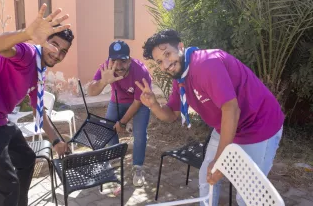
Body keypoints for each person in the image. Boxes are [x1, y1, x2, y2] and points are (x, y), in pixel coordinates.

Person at [136, 29, 285, 205]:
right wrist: (153, 104)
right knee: (207, 177)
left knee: (248, 195)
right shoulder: (181, 77)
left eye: (168, 54)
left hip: (258, 125)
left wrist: (220, 161)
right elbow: (171, 115)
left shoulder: (206, 64)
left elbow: (231, 109)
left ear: (181, 47)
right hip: (227, 126)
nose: (166, 64)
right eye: (160, 61)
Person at [0, 4, 73, 206]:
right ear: (44, 41)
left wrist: (56, 142)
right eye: (54, 45)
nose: (57, 54)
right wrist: (26, 33)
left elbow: (38, 112)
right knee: (7, 185)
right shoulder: (27, 54)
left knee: (26, 160)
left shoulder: (39, 70)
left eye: (63, 51)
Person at [87, 40, 151, 187]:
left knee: (140, 134)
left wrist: (122, 122)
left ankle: (138, 168)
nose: (119, 65)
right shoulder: (106, 68)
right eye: (114, 61)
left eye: (123, 60)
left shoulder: (140, 71)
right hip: (117, 100)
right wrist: (103, 82)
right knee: (108, 128)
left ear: (129, 59)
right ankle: (116, 159)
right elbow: (91, 92)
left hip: (140, 102)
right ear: (110, 61)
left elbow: (137, 102)